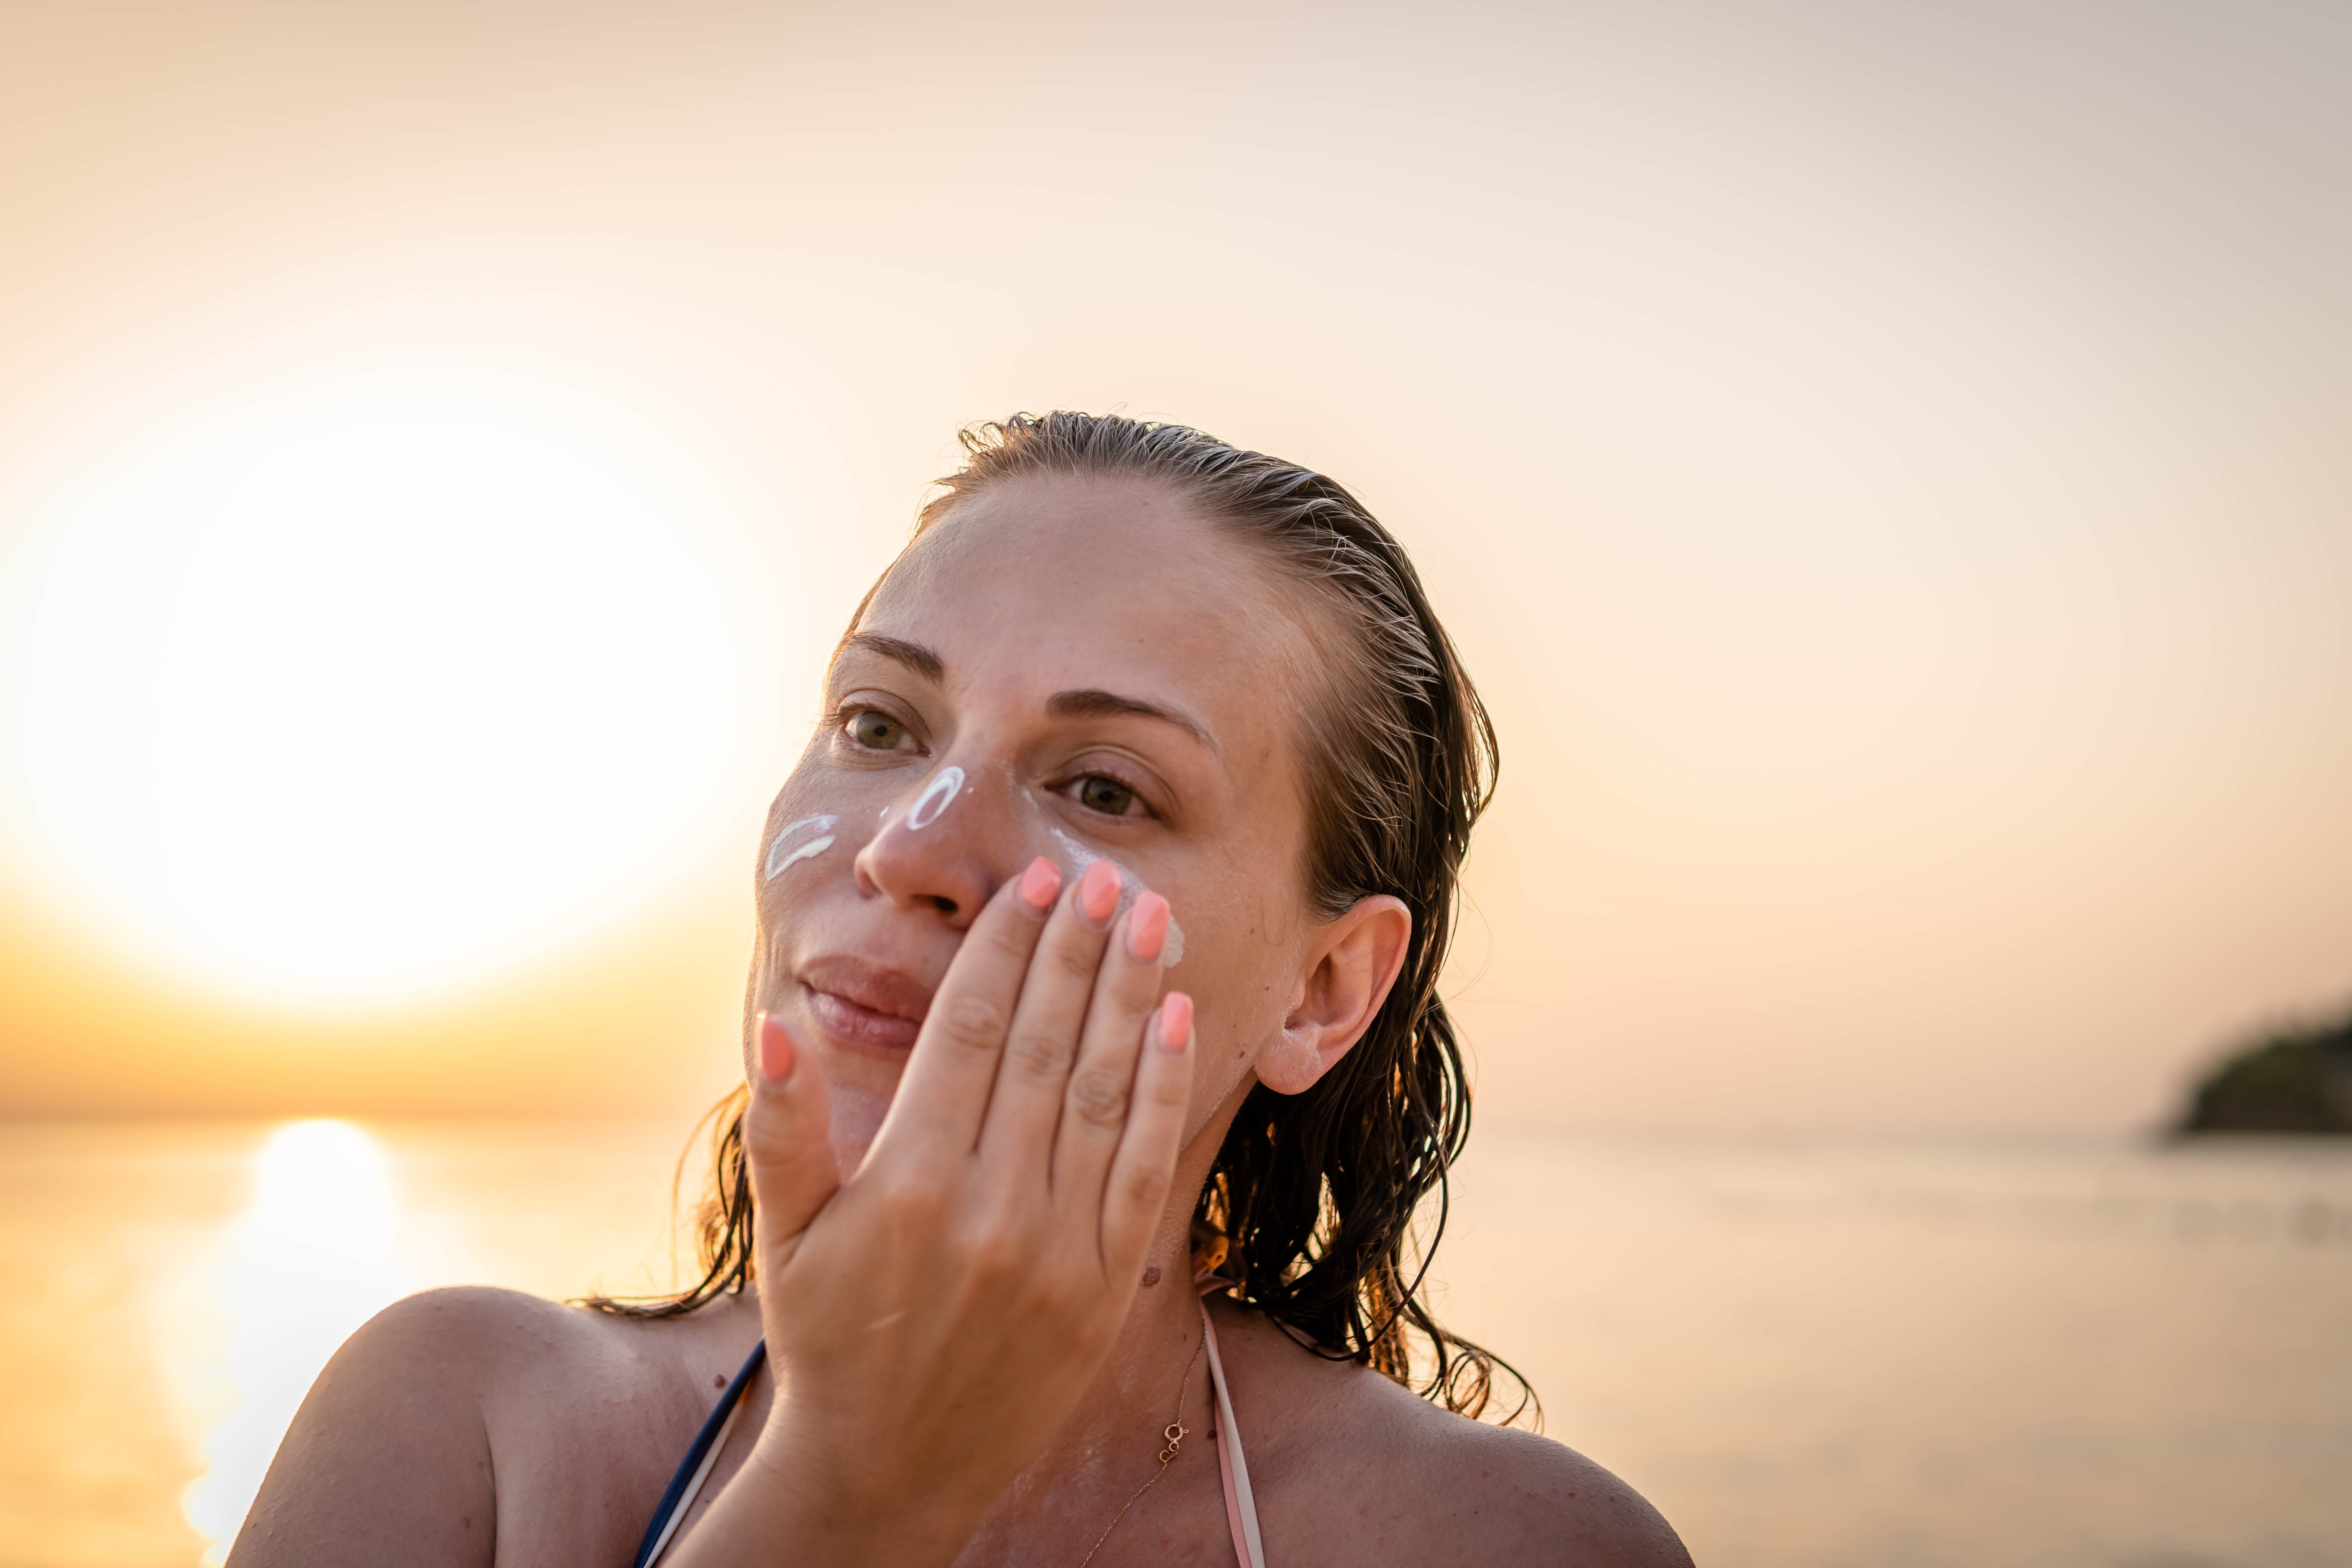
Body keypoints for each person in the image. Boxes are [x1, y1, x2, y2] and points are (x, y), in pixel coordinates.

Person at [229, 412, 1693, 1566]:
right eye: (879, 722)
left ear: (1321, 991)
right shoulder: (469, 1430)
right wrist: (853, 1495)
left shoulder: (1511, 1547)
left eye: (1106, 789)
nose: (912, 845)